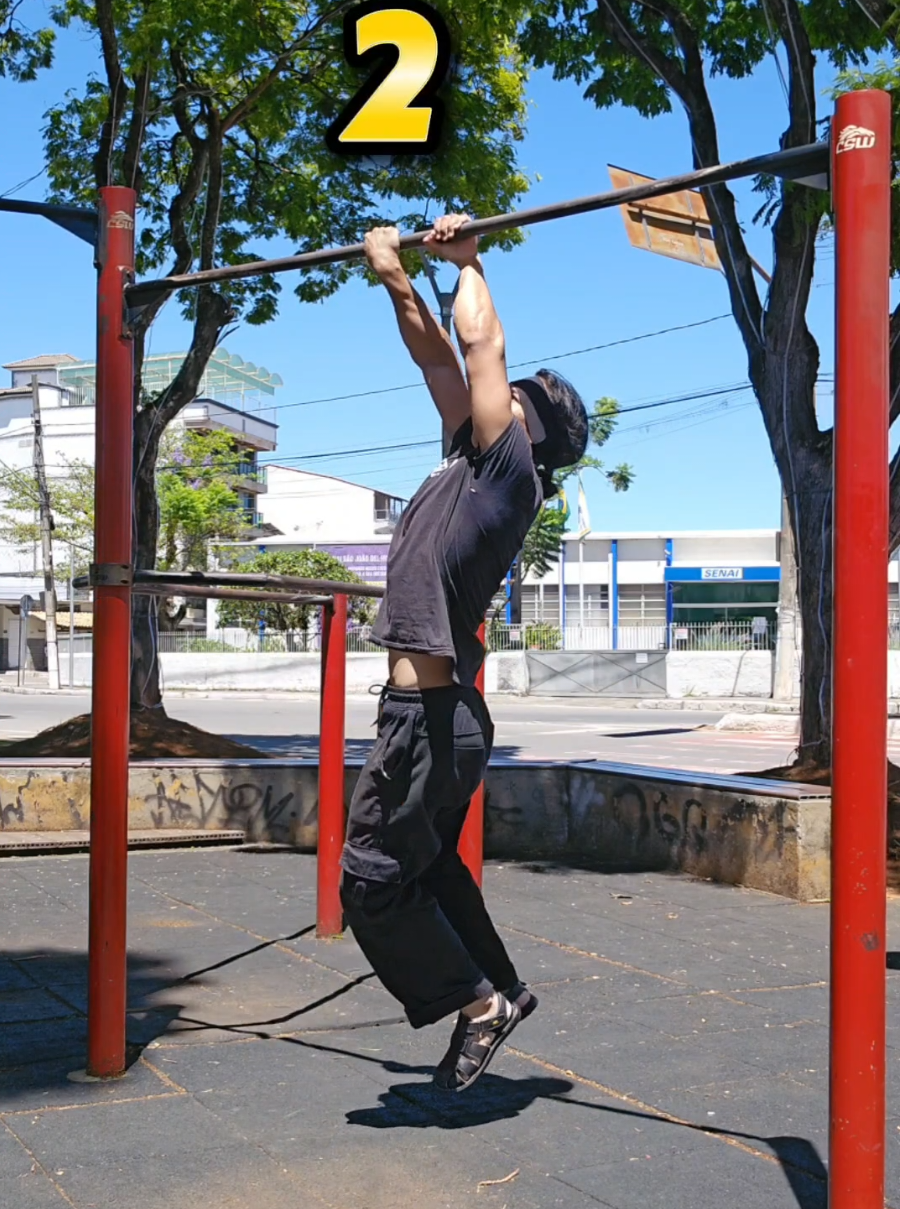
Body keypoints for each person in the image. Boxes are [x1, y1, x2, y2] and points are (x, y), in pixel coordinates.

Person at [339, 214, 589, 1092]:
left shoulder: (509, 472)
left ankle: (477, 1003)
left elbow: (480, 344)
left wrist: (469, 263)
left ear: (528, 428)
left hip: (430, 720)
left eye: (511, 394)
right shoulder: (469, 458)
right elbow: (438, 356)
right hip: (430, 715)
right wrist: (394, 275)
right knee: (430, 866)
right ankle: (503, 990)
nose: (494, 392)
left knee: (371, 881)